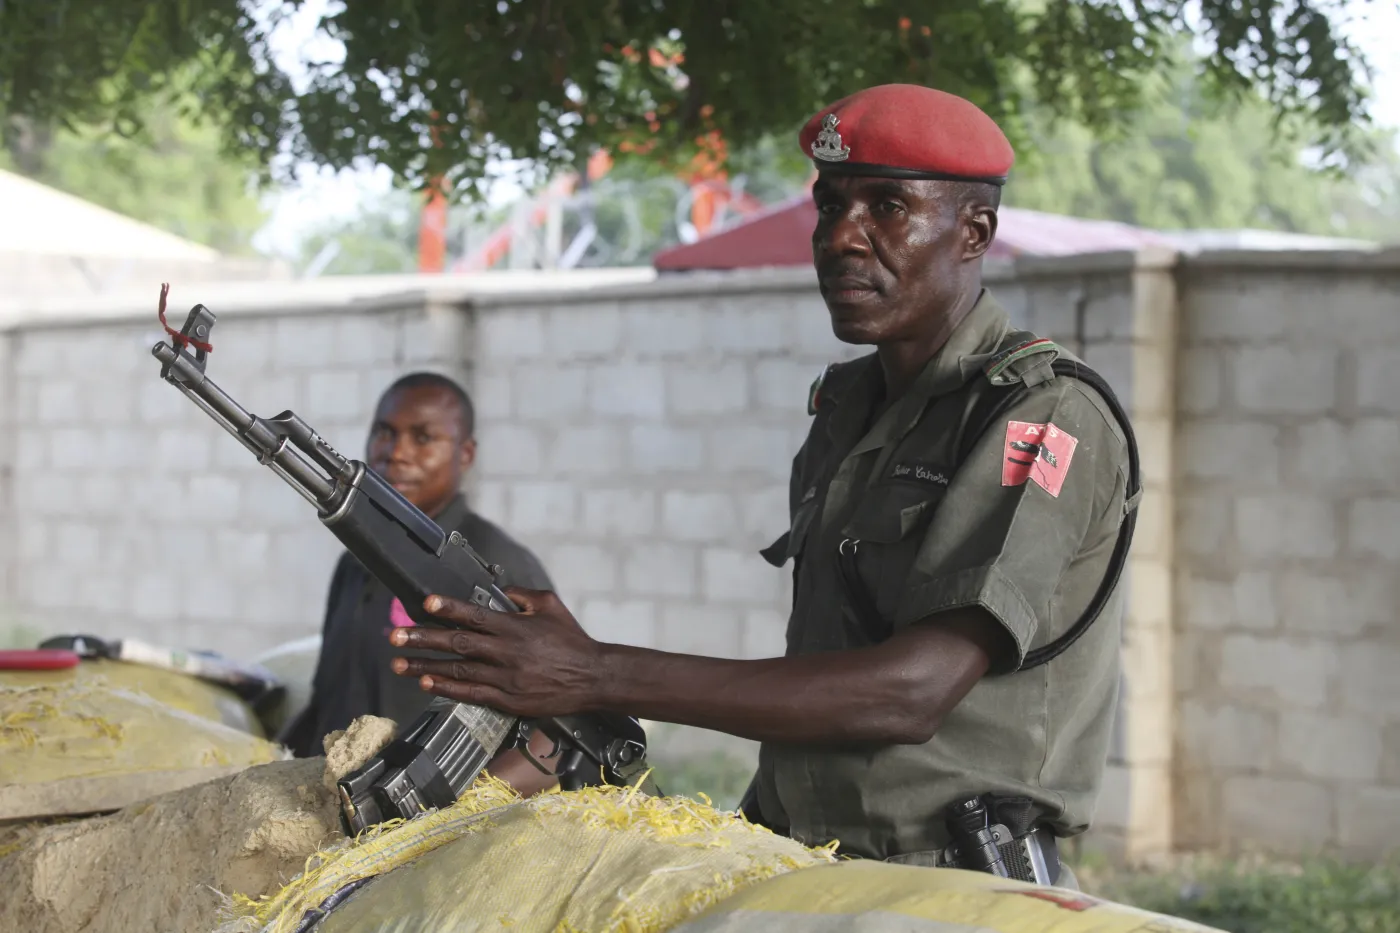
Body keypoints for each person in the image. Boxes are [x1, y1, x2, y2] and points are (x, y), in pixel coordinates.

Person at [381, 85, 1138, 886]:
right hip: (800, 860)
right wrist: (575, 672)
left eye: (888, 207)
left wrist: (594, 670)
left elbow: (911, 693)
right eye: (830, 205)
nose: (842, 236)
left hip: (949, 884)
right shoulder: (849, 406)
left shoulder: (1043, 413)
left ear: (973, 232)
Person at [280, 372, 562, 792]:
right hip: (332, 805)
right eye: (385, 433)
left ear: (465, 454)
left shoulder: (497, 567)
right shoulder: (355, 561)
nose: (396, 454)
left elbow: (555, 734)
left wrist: (450, 809)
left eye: (423, 438)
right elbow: (327, 701)